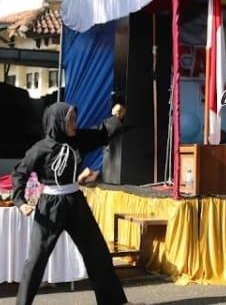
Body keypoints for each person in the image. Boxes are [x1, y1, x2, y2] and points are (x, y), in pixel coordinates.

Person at [12, 102, 139, 305]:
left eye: (74, 118)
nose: (74, 123)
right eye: (70, 119)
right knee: (36, 260)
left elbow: (100, 133)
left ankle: (114, 302)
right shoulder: (40, 149)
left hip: (75, 202)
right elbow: (19, 173)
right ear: (58, 122)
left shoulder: (78, 139)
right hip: (50, 206)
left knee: (97, 253)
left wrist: (116, 117)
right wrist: (20, 202)